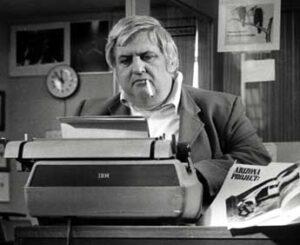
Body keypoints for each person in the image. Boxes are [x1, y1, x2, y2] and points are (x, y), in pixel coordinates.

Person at [75, 15, 271, 208]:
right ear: (116, 70)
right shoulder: (90, 112)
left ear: (171, 61)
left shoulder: (222, 108)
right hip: (117, 227)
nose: (138, 68)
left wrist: (193, 175)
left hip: (194, 229)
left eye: (147, 56)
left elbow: (256, 160)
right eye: (125, 60)